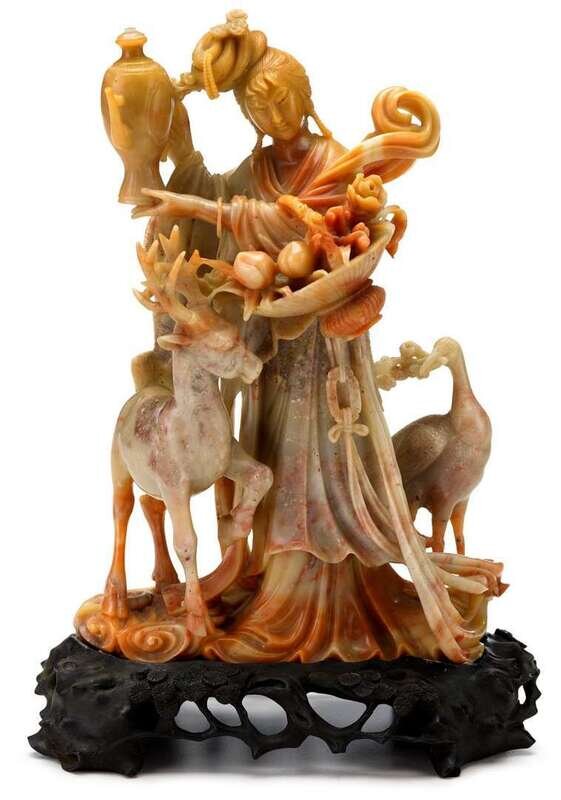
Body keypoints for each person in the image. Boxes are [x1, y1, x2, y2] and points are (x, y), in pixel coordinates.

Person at [133, 16, 502, 663]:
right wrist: (183, 159)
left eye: (281, 98)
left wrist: (200, 210)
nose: (271, 113)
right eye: (257, 105)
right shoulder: (253, 169)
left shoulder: (332, 162)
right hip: (272, 349)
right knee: (271, 460)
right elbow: (226, 210)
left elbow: (289, 227)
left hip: (326, 351)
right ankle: (275, 586)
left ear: (303, 96)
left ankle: (332, 596)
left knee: (324, 466)